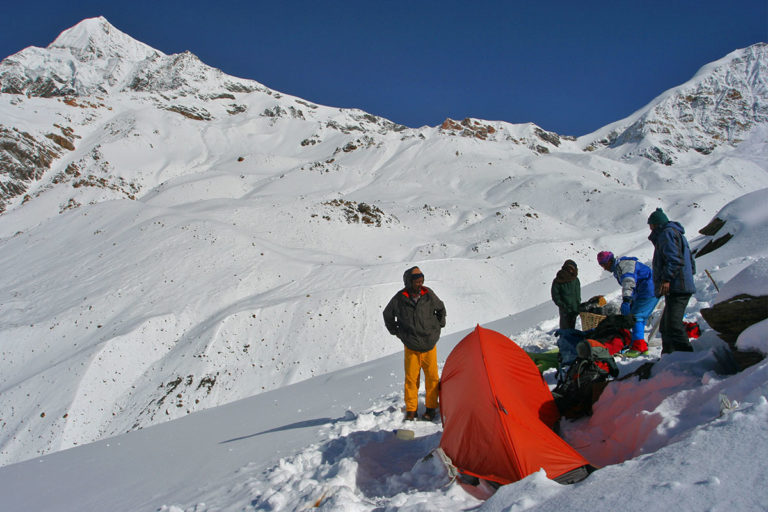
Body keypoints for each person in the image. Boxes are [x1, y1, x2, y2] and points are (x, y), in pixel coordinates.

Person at [383, 266, 446, 421]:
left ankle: (431, 408)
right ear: (408, 282)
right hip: (411, 346)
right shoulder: (400, 298)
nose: (419, 284)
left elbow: (440, 308)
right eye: (416, 281)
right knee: (411, 379)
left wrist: (438, 325)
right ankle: (411, 410)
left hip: (429, 345)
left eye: (421, 280)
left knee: (432, 378)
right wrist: (397, 332)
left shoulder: (428, 294)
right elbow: (387, 314)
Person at [648, 208, 696, 353]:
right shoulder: (675, 233)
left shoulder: (667, 234)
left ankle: (686, 356)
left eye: (651, 225)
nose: (650, 228)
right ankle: (668, 357)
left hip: (678, 286)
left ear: (656, 224)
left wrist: (666, 279)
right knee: (666, 326)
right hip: (679, 284)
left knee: (673, 325)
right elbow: (689, 261)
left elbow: (674, 259)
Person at [596, 251, 658, 353]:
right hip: (644, 291)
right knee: (638, 317)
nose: (604, 268)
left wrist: (626, 300)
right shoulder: (618, 268)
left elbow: (628, 281)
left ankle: (638, 347)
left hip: (648, 290)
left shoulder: (624, 265)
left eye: (604, 264)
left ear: (609, 261)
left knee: (636, 317)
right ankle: (639, 344)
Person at [551, 259, 581, 329]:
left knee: (572, 328)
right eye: (569, 268)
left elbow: (577, 293)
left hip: (575, 308)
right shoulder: (559, 279)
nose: (571, 270)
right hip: (565, 309)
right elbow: (555, 295)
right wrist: (562, 305)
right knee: (565, 328)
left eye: (572, 268)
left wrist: (578, 304)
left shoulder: (575, 279)